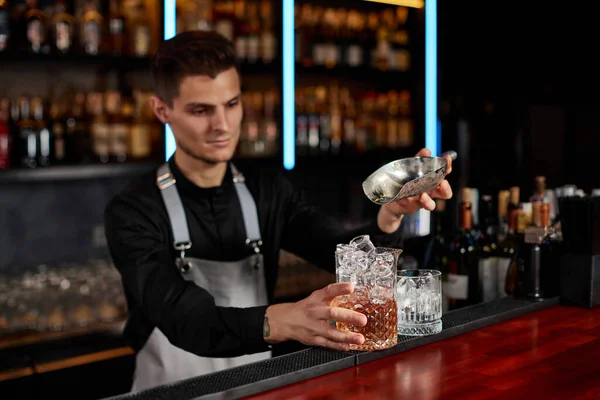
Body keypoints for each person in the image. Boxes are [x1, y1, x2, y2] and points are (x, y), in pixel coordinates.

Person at [103, 30, 453, 392]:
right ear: (162, 109)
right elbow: (186, 319)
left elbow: (339, 248)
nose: (222, 125)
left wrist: (391, 211)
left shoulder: (266, 191)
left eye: (232, 104)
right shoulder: (133, 211)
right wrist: (285, 320)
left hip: (254, 389)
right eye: (201, 110)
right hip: (170, 393)